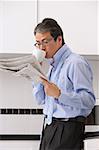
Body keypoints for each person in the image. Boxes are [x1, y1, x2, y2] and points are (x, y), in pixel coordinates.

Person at [32, 18, 96, 150]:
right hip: (49, 128)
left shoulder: (75, 63)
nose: (41, 48)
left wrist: (60, 94)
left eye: (45, 42)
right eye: (37, 43)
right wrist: (35, 72)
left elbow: (89, 101)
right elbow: (40, 99)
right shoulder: (52, 66)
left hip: (67, 130)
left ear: (59, 40)